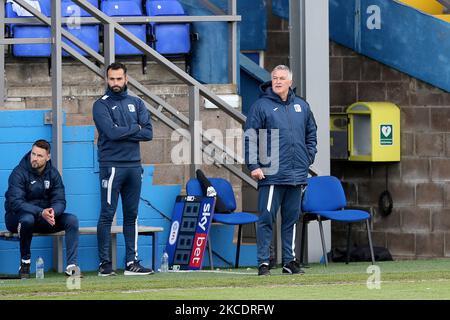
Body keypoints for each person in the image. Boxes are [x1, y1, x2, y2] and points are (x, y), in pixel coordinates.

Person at [244, 65, 317, 276]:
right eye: (274, 78)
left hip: (296, 174)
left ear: (290, 82)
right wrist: (254, 165)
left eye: (282, 78)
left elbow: (311, 134)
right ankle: (264, 262)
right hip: (271, 174)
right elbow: (250, 137)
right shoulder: (261, 106)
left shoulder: (302, 106)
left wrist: (308, 157)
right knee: (266, 218)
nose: (277, 81)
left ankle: (289, 261)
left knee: (291, 219)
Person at [93, 62, 153, 276]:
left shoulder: (136, 103)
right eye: (112, 79)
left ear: (126, 79)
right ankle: (104, 265)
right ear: (107, 80)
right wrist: (135, 128)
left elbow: (148, 133)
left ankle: (131, 262)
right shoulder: (101, 105)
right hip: (112, 166)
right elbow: (110, 133)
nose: (115, 83)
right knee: (107, 215)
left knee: (132, 215)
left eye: (119, 78)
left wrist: (125, 130)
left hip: (134, 166)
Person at [4, 139, 80, 279]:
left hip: (44, 218)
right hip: (17, 218)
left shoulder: (53, 174)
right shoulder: (19, 172)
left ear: (48, 157)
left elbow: (60, 200)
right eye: (33, 154)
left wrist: (53, 212)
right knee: (27, 219)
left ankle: (72, 267)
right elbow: (16, 203)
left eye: (39, 156)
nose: (35, 158)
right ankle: (25, 263)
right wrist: (40, 212)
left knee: (72, 220)